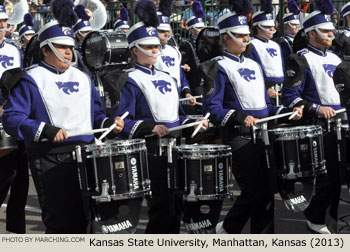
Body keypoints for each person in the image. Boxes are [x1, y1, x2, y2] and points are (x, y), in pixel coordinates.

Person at [2, 0, 124, 234]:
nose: (68, 52)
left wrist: (108, 124)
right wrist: (46, 130)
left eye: (70, 47)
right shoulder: (30, 78)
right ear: (45, 49)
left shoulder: (82, 77)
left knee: (87, 222)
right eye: (61, 46)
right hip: (50, 157)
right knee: (60, 224)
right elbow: (12, 117)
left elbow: (95, 114)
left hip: (86, 155)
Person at [202, 0, 302, 234]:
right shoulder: (216, 67)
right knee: (253, 190)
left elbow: (265, 106)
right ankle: (226, 229)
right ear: (226, 37)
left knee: (268, 190)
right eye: (241, 35)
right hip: (239, 137)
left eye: (247, 35)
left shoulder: (255, 65)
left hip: (263, 136)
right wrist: (239, 117)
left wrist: (286, 112)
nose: (246, 40)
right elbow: (212, 108)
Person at [111, 0, 207, 233]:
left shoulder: (169, 78)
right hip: (150, 151)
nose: (155, 50)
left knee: (175, 209)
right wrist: (150, 128)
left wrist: (194, 122)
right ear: (135, 49)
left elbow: (178, 116)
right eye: (149, 46)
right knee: (161, 209)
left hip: (175, 149)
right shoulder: (129, 79)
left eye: (156, 46)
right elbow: (124, 121)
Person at [281, 0, 343, 234]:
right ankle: (316, 219)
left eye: (331, 30)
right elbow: (290, 95)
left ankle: (330, 222)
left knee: (337, 179)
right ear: (312, 33)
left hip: (340, 124)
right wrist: (316, 108)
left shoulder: (336, 59)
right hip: (318, 125)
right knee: (328, 179)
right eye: (326, 31)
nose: (331, 34)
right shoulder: (300, 58)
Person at [0, 0, 28, 234]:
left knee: (20, 176)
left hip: (11, 118)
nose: (1, 27)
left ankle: (16, 232)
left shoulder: (13, 50)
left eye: (3, 22)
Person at [154, 0, 195, 106]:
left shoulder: (173, 50)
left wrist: (187, 93)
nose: (167, 34)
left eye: (167, 31)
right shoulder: (150, 52)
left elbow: (180, 76)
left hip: (176, 97)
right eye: (162, 31)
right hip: (158, 98)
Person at [249, 0, 284, 104]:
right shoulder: (252, 44)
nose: (272, 29)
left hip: (280, 88)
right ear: (258, 27)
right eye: (268, 26)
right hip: (264, 89)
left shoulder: (276, 45)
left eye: (272, 26)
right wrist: (265, 89)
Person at [179, 1, 206, 114]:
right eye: (198, 28)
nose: (201, 30)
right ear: (191, 29)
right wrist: (185, 66)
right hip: (196, 81)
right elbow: (183, 63)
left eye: (202, 27)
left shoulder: (208, 42)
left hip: (208, 80)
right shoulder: (187, 44)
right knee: (201, 106)